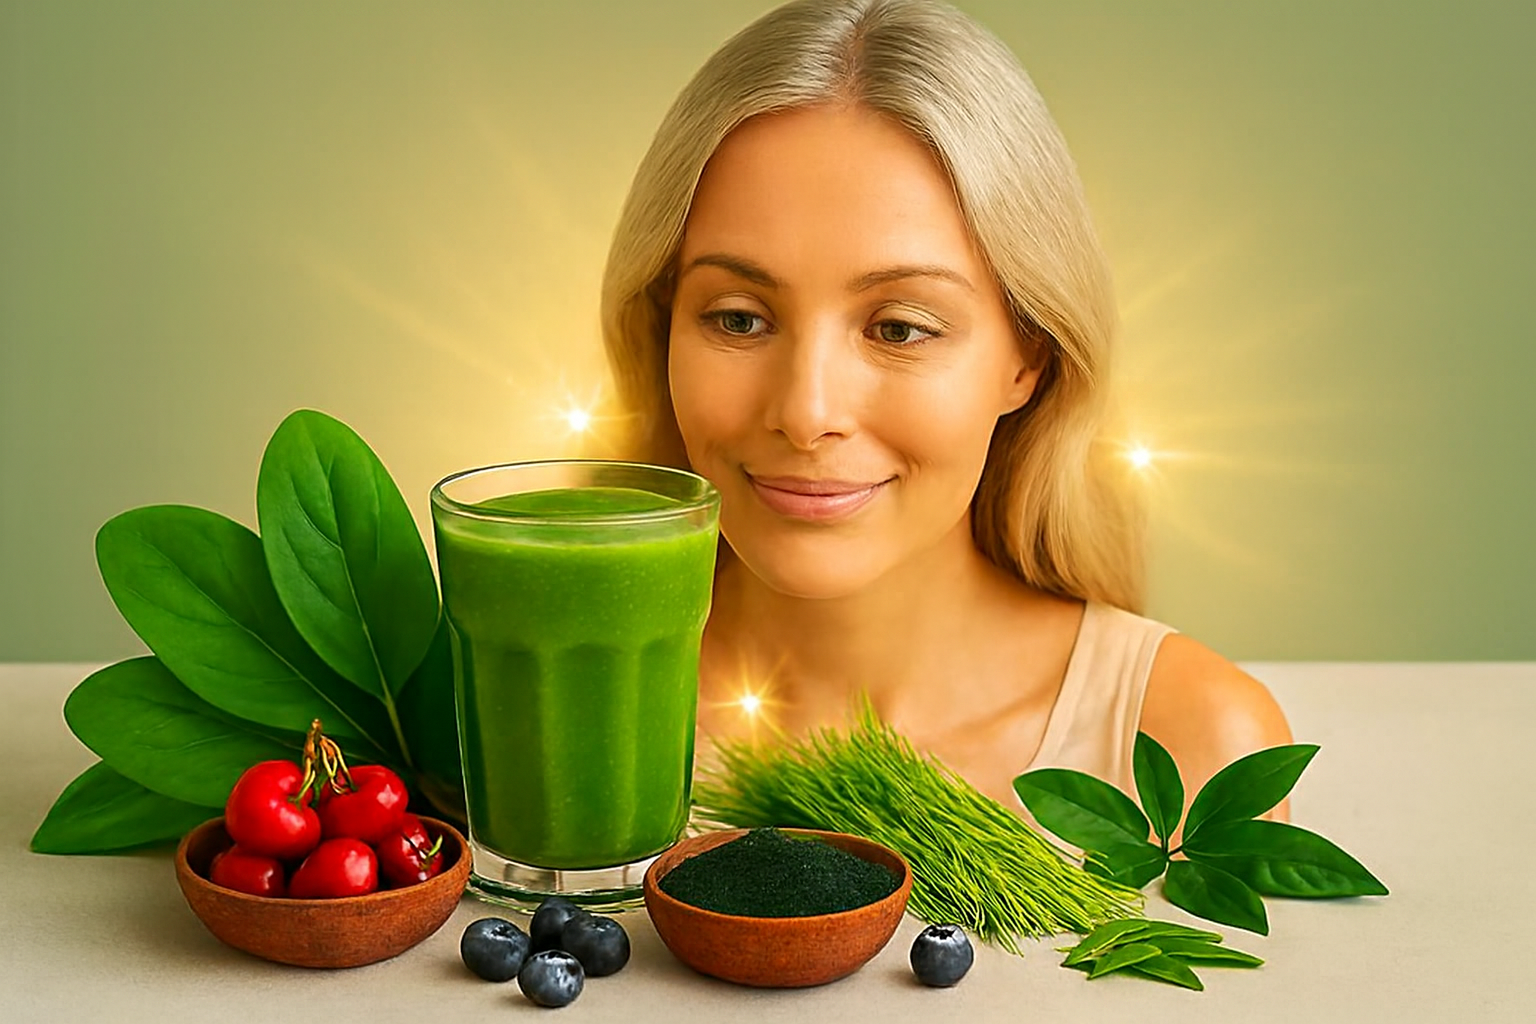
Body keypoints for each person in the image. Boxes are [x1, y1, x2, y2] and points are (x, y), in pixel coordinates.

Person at [599, 0, 1292, 821]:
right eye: (739, 318)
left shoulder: (1200, 743)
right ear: (662, 326)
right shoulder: (523, 714)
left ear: (1029, 356)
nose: (806, 411)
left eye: (900, 327)